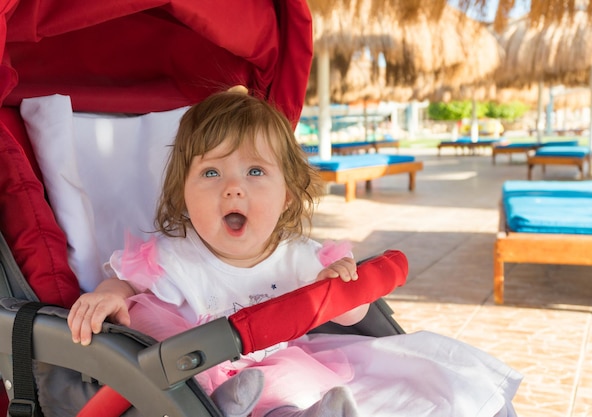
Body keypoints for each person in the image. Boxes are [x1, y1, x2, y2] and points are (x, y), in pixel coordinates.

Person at [68, 88, 522, 417]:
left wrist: (341, 285)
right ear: (183, 193)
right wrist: (108, 293)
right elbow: (127, 281)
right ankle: (213, 406)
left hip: (273, 363)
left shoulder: (299, 255)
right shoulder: (175, 253)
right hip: (194, 366)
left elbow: (348, 314)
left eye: (254, 171)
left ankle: (301, 415)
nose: (233, 188)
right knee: (152, 322)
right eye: (210, 173)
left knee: (297, 382)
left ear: (286, 195)